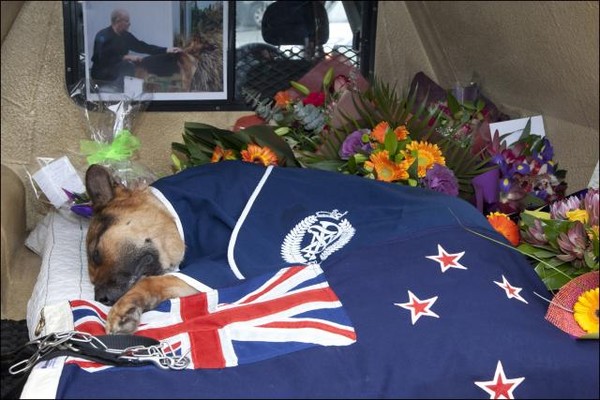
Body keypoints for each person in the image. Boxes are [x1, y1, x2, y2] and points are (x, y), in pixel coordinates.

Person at [90, 9, 181, 91]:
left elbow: (143, 46)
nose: (129, 24)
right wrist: (125, 57)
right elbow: (100, 59)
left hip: (120, 76)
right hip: (103, 79)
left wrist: (166, 50)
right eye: (127, 21)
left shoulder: (126, 36)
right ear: (117, 21)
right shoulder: (102, 36)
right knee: (128, 66)